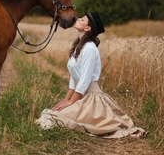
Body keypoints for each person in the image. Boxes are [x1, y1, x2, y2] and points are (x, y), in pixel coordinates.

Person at [36, 11, 145, 139]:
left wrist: (72, 101)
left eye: (83, 19)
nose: (79, 19)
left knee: (55, 119)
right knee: (53, 114)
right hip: (81, 94)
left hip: (90, 98)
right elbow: (73, 77)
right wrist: (66, 100)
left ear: (87, 28)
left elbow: (85, 79)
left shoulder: (90, 48)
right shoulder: (78, 47)